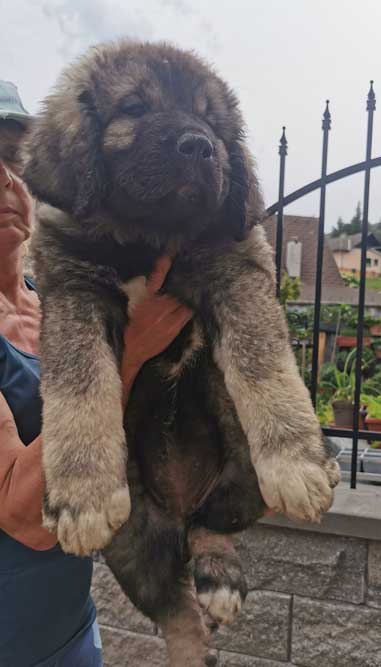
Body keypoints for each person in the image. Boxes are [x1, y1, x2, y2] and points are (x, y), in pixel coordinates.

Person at [0, 80, 193, 667]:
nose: (6, 179)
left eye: (14, 158)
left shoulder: (59, 303)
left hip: (71, 633)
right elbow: (24, 516)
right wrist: (126, 352)